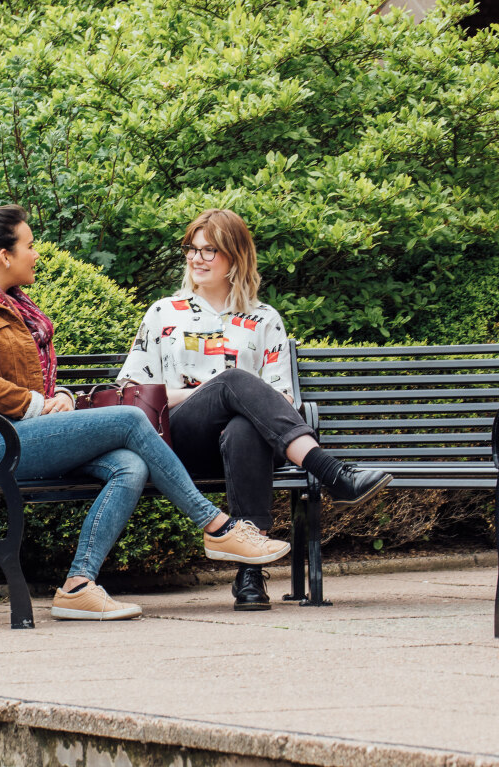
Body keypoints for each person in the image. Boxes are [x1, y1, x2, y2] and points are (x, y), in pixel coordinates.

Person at [0, 204, 291, 622]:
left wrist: (61, 396)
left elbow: (36, 380)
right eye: (30, 245)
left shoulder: (17, 306)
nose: (37, 253)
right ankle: (217, 526)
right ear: (5, 256)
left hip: (36, 431)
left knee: (130, 464)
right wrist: (39, 405)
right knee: (129, 419)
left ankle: (78, 585)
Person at [117, 209, 391, 611]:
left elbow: (281, 399)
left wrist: (232, 397)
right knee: (233, 382)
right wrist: (211, 391)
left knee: (245, 427)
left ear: (236, 256)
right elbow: (133, 390)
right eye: (192, 249)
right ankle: (331, 472)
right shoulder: (165, 312)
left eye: (210, 250)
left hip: (243, 445)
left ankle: (249, 575)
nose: (197, 258)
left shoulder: (263, 318)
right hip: (178, 439)